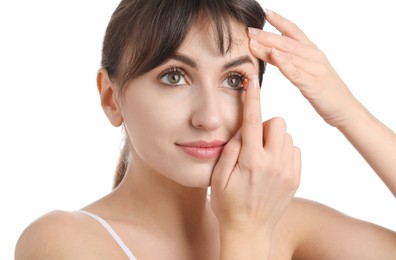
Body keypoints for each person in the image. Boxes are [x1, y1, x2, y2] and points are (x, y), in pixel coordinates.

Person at [15, 0, 396, 259]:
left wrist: (348, 112)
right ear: (111, 98)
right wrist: (245, 232)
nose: (209, 117)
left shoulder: (286, 224)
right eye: (174, 76)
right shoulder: (61, 240)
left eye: (233, 80)